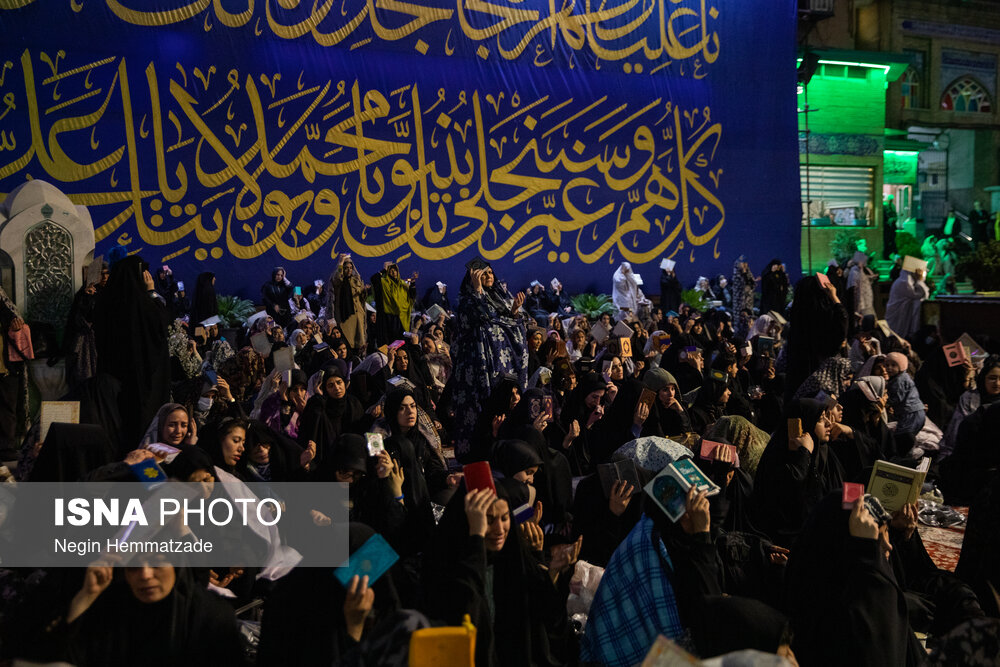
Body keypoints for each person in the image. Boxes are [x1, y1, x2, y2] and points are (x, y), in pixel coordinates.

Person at [451, 258, 529, 460]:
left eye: (490, 273)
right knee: (478, 409)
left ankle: (500, 452)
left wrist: (513, 312)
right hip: (476, 368)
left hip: (499, 367)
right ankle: (475, 455)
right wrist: (477, 291)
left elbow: (510, 325)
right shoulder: (466, 300)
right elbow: (484, 317)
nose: (488, 277)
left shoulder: (500, 297)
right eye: (483, 273)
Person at [93, 255, 171, 452]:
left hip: (113, 382)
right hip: (141, 383)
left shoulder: (107, 302)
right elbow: (161, 325)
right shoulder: (143, 305)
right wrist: (152, 292)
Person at [329, 254, 368, 353]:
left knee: (359, 343)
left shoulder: (356, 280)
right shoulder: (339, 281)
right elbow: (337, 278)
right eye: (346, 268)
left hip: (357, 315)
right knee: (346, 343)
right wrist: (341, 263)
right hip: (344, 316)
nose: (349, 270)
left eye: (350, 268)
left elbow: (362, 297)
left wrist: (365, 291)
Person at [885, 263, 930, 340]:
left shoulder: (908, 282)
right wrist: (920, 280)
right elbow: (920, 294)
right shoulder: (904, 282)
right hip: (898, 313)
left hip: (902, 312)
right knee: (896, 335)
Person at [846, 251, 877, 318]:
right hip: (859, 298)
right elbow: (854, 286)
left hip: (866, 298)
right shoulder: (854, 270)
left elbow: (864, 279)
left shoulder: (863, 269)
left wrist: (871, 277)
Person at [883, 195, 898, 259]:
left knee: (891, 243)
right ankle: (888, 255)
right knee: (889, 243)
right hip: (888, 228)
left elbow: (895, 216)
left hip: (890, 228)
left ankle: (890, 255)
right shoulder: (886, 206)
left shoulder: (892, 206)